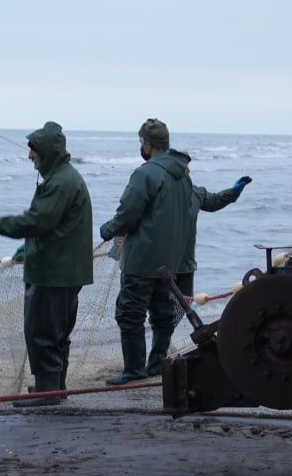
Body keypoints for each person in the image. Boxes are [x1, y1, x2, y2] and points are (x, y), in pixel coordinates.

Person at [98, 118, 250, 383]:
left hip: (142, 262)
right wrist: (233, 193)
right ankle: (157, 364)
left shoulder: (145, 173)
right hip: (171, 266)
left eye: (141, 142)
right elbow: (212, 201)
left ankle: (134, 370)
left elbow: (128, 214)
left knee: (129, 313)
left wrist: (108, 229)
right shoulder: (185, 179)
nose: (141, 147)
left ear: (147, 144)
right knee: (163, 315)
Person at [0, 121, 93, 407]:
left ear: (47, 152)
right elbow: (50, 224)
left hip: (53, 272)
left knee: (43, 331)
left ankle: (47, 392)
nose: (29, 156)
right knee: (57, 332)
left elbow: (38, 221)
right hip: (64, 269)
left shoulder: (60, 183)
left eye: (33, 151)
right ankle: (53, 386)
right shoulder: (64, 177)